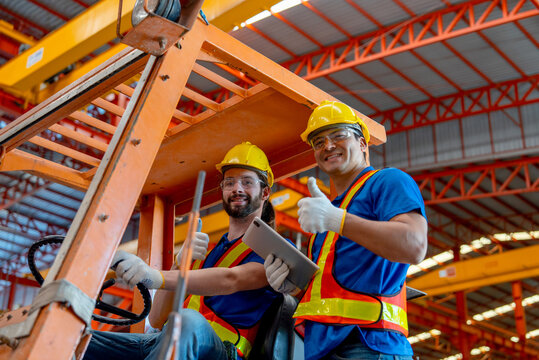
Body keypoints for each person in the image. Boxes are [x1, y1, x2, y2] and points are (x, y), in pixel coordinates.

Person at [85, 141, 279, 360]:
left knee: (186, 320)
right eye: (230, 182)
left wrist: (152, 275)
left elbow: (231, 279)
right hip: (167, 341)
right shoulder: (208, 253)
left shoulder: (273, 249)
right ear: (222, 190)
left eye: (247, 182)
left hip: (223, 351)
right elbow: (158, 318)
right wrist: (180, 263)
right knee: (83, 340)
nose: (237, 189)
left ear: (265, 193)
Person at [264, 101, 428, 360]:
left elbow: (415, 245)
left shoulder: (387, 181)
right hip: (322, 349)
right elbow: (333, 293)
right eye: (318, 142)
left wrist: (337, 220)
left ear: (363, 144)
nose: (327, 146)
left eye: (339, 135)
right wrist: (292, 287)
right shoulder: (327, 217)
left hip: (371, 346)